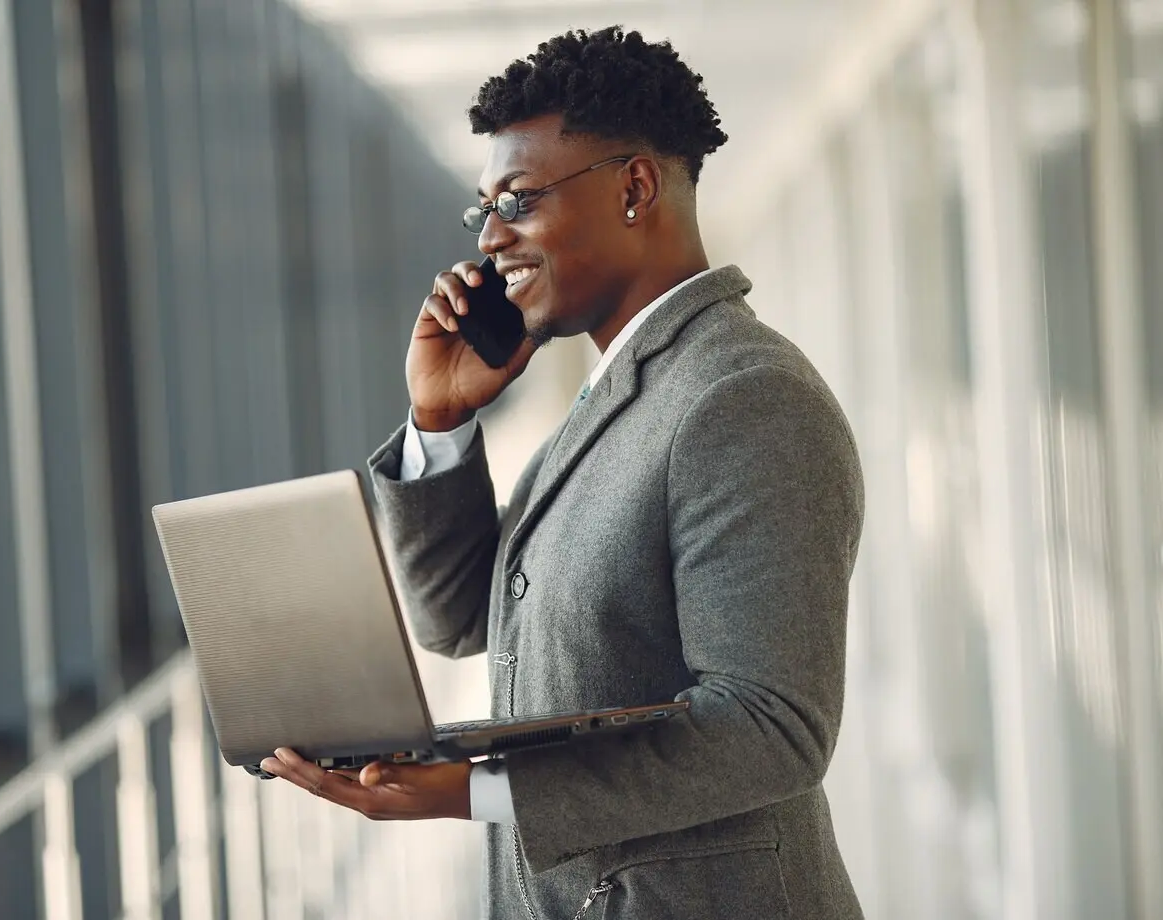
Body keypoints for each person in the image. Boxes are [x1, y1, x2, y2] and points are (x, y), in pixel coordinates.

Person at [259, 26, 866, 919]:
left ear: (635, 187)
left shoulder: (743, 398)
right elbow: (463, 618)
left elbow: (771, 727)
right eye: (484, 209)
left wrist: (479, 791)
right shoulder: (610, 394)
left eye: (520, 198)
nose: (491, 237)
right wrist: (441, 418)